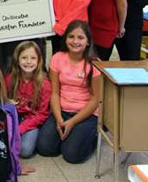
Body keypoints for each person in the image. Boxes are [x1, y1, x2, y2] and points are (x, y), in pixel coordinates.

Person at [37, 20, 101, 164]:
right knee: (44, 148)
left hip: (86, 114)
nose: (75, 41)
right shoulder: (57, 58)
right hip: (62, 110)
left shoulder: (94, 63)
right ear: (65, 39)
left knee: (71, 156)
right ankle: (71, 138)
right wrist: (59, 119)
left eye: (80, 37)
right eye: (71, 36)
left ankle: (91, 136)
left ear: (88, 42)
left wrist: (72, 122)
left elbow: (95, 100)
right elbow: (54, 93)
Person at [5, 41, 51, 158]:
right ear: (17, 59)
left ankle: (38, 135)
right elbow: (1, 101)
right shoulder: (9, 79)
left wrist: (21, 129)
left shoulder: (45, 84)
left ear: (39, 60)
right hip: (15, 117)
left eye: (33, 58)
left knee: (25, 151)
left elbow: (42, 114)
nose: (28, 62)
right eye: (24, 58)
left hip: (33, 120)